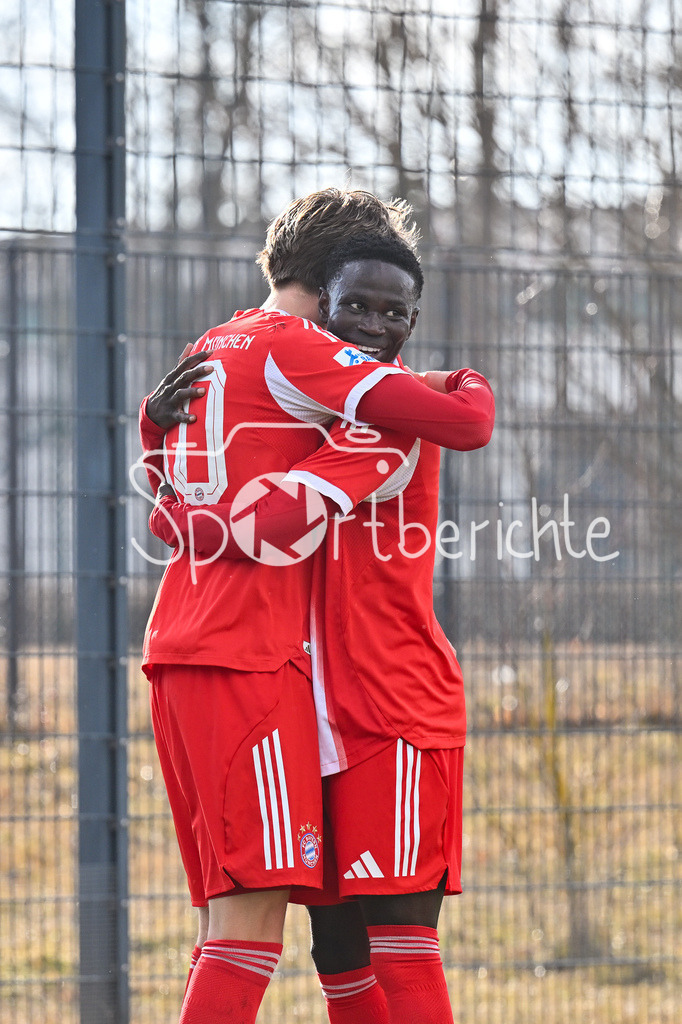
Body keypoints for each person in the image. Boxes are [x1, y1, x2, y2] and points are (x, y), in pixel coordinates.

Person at [138, 190, 494, 1024]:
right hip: (277, 683)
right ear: (327, 290)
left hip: (379, 705)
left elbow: (253, 513)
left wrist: (169, 486)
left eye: (393, 310)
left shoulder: (228, 354)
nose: (371, 326)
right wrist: (177, 490)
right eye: (356, 304)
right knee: (262, 935)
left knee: (361, 945)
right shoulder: (300, 362)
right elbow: (259, 518)